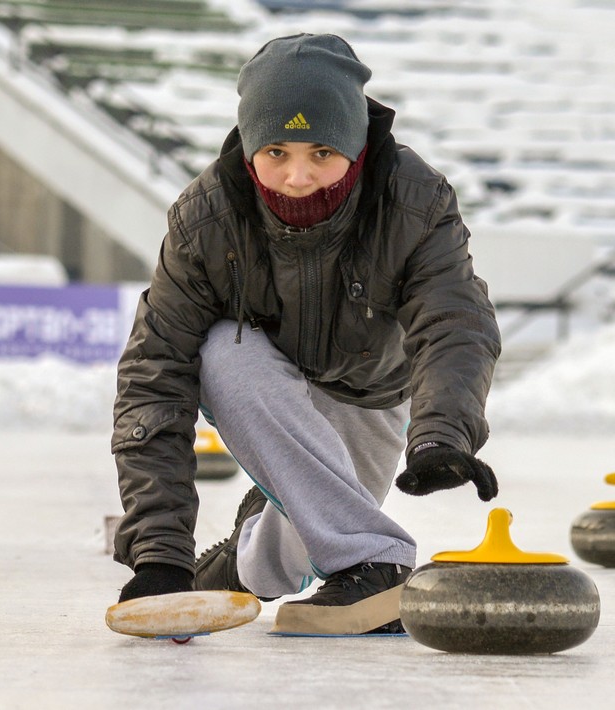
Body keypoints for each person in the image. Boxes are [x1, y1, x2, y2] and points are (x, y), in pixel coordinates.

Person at [111, 32, 501, 634]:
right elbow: (153, 376)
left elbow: (454, 323)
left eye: (322, 152)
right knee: (219, 349)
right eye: (276, 151)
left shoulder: (414, 200)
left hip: (370, 394)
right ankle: (379, 561)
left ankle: (239, 562)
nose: (297, 177)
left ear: (356, 144)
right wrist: (159, 556)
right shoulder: (205, 218)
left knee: (297, 543)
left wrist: (440, 434)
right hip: (263, 385)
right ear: (250, 148)